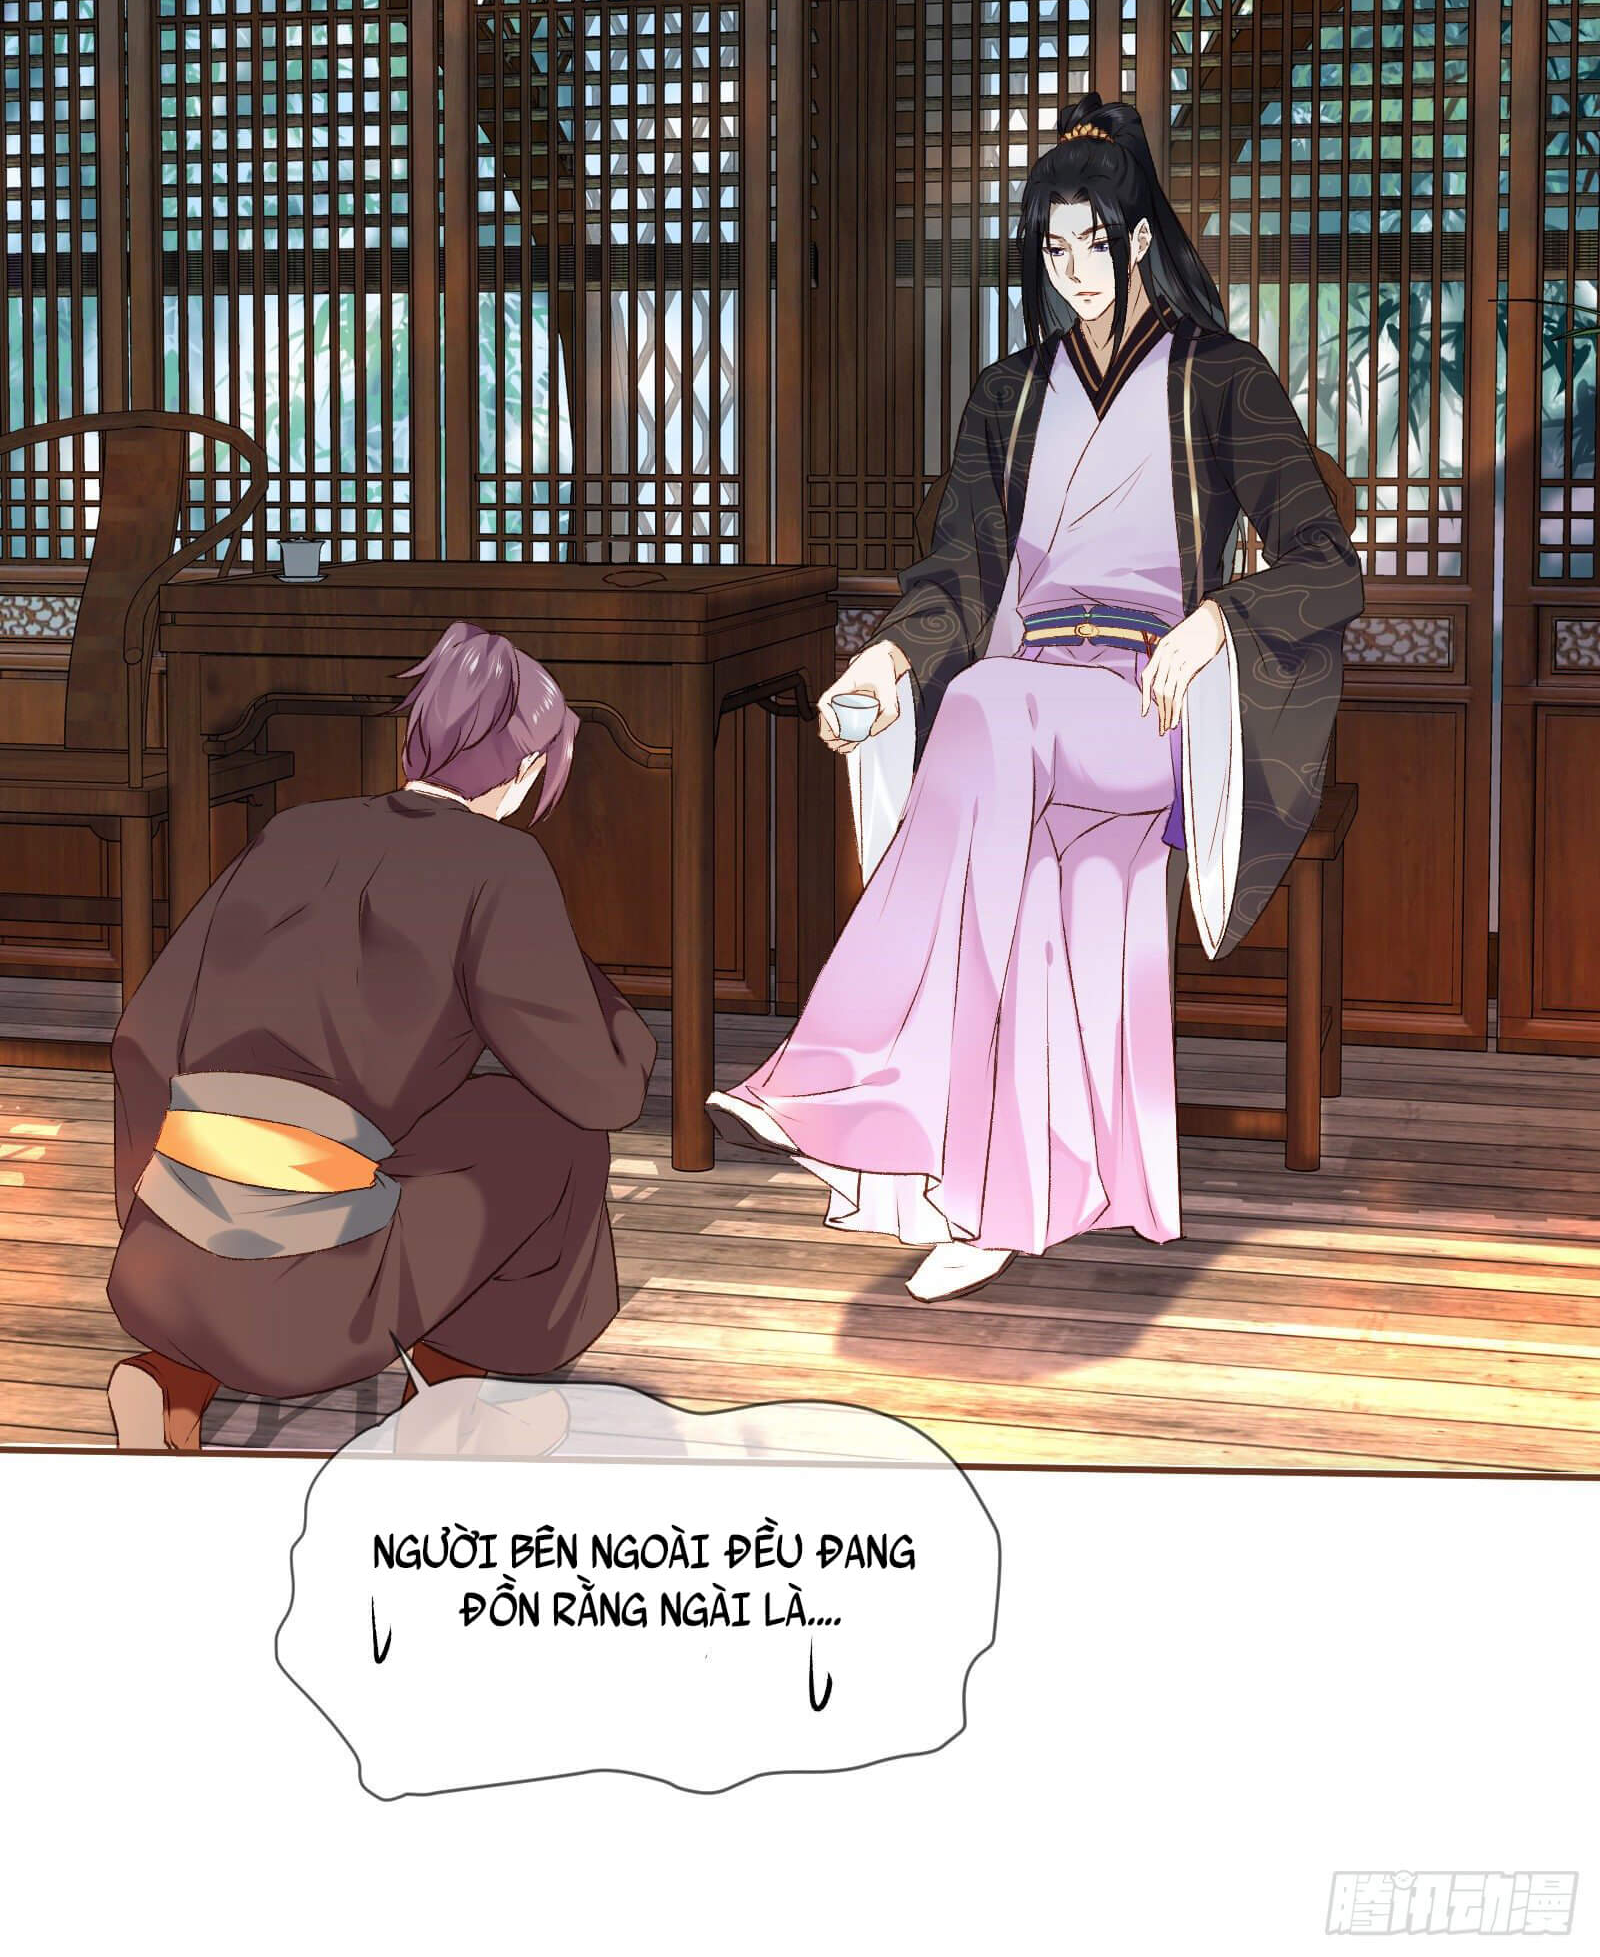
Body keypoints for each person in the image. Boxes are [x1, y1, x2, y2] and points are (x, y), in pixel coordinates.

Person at [709, 92, 1364, 1303]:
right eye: (1052, 249)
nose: (1074, 272)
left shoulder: (1219, 377)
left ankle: (847, 1064)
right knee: (1012, 815)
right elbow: (957, 572)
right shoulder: (1006, 394)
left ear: (1140, 236)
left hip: (1149, 706)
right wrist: (888, 661)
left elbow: (1329, 567)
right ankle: (993, 1197)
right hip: (1026, 699)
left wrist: (1218, 618)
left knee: (984, 710)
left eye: (1093, 244)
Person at [105, 620, 655, 1450]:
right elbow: (600, 1088)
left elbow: (141, 1040)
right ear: (530, 770)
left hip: (155, 1271)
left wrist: (161, 1215)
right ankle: (454, 1399)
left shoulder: (294, 832)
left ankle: (172, 1380)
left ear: (410, 743)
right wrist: (605, 1006)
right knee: (551, 1131)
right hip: (312, 1310)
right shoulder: (497, 868)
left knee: (384, 1130)